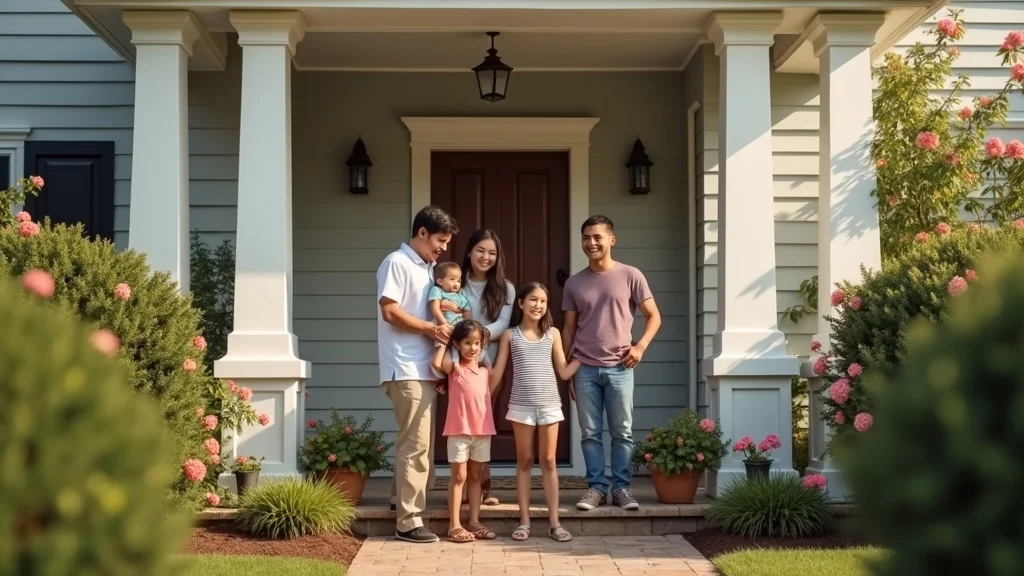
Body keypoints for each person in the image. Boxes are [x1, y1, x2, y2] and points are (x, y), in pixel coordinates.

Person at [561, 215, 662, 511]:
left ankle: (621, 488)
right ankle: (596, 488)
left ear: (611, 240)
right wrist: (567, 370)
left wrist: (640, 346)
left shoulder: (631, 275)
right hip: (584, 368)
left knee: (622, 431)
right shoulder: (574, 283)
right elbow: (568, 328)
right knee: (590, 433)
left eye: (597, 237)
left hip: (621, 366)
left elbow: (654, 316)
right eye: (586, 238)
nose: (591, 243)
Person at [376, 205, 459, 544]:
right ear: (422, 232)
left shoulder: (426, 269)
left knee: (415, 442)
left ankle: (401, 501)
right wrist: (430, 328)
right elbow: (389, 310)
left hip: (423, 368)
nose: (443, 248)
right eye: (440, 240)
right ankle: (408, 522)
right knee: (417, 445)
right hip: (405, 366)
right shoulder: (397, 263)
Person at [490, 282, 581, 542]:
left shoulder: (553, 333)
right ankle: (524, 522)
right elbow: (498, 371)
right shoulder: (510, 335)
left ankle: (555, 523)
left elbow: (563, 371)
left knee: (549, 461)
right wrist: (481, 396)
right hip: (521, 407)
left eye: (543, 301)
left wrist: (585, 356)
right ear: (520, 303)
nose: (538, 305)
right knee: (525, 461)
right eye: (532, 299)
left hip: (550, 405)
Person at [441, 229, 516, 505]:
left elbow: (502, 324)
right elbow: (448, 317)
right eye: (481, 251)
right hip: (459, 362)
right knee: (461, 423)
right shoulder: (454, 284)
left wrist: (473, 333)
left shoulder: (505, 288)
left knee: (483, 423)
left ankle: (484, 486)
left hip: (490, 364)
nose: (486, 257)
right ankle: (460, 486)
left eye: (492, 253)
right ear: (470, 252)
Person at [431, 320, 498, 543]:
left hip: (482, 431)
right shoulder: (455, 369)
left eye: (477, 343)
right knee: (459, 477)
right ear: (458, 344)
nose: (473, 347)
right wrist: (446, 342)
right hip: (459, 431)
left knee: (476, 477)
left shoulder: (485, 371)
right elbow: (437, 362)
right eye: (468, 342)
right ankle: (455, 525)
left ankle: (475, 521)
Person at [428, 261, 471, 326]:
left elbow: (467, 311)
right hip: (442, 327)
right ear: (440, 281)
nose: (456, 283)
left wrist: (467, 326)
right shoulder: (437, 291)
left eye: (458, 281)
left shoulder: (460, 297)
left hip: (458, 328)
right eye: (452, 279)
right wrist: (443, 323)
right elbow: (435, 308)